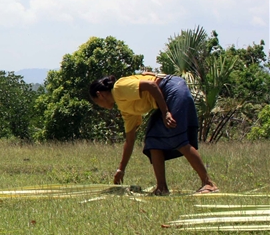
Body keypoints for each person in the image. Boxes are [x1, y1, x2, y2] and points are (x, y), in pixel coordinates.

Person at [89, 73, 217, 195]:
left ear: (99, 95)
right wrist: (121, 170)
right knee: (153, 141)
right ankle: (162, 188)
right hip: (167, 95)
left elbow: (152, 86)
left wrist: (165, 112)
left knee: (177, 138)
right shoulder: (126, 108)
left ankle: (209, 184)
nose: (100, 106)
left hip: (172, 90)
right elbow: (130, 140)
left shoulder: (118, 88)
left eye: (97, 102)